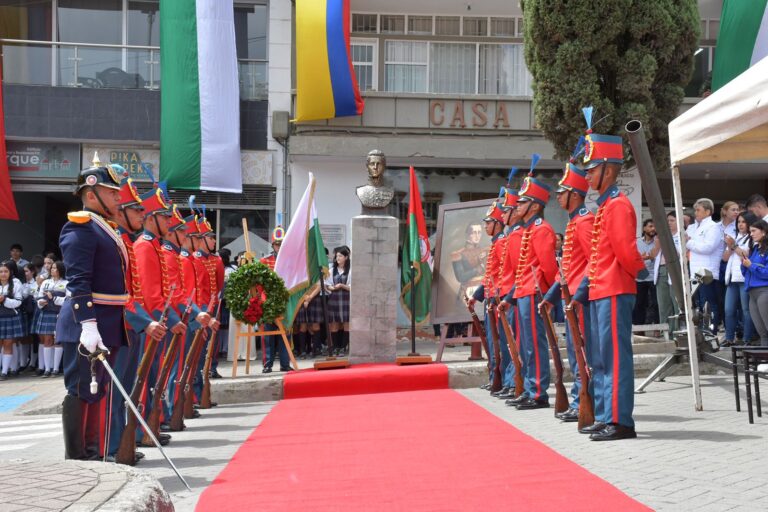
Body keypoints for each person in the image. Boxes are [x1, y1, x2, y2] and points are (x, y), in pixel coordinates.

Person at [574, 108, 645, 441]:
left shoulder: (617, 205)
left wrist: (639, 274)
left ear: (607, 169)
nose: (587, 177)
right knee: (602, 359)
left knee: (615, 359)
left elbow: (625, 252)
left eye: (591, 171)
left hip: (616, 289)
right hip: (603, 291)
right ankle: (605, 415)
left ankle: (620, 421)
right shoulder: (605, 206)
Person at [57, 164, 127, 460]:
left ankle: (95, 456)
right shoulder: (81, 225)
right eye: (112, 193)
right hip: (87, 323)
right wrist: (87, 323)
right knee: (82, 389)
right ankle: (78, 461)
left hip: (105, 322)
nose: (117, 199)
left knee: (97, 390)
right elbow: (78, 279)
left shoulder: (103, 228)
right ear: (91, 193)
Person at [541, 154, 594, 423]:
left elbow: (591, 263)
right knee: (573, 350)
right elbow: (568, 270)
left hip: (580, 298)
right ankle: (578, 399)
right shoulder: (574, 222)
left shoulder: (584, 222)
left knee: (581, 351)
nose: (558, 197)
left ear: (574, 194)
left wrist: (578, 295)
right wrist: (551, 297)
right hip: (570, 296)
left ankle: (584, 399)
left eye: (562, 193)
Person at [508, 157, 557, 411]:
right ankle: (530, 387)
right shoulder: (527, 230)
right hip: (524, 291)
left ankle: (538, 391)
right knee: (526, 344)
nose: (517, 206)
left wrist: (548, 296)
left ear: (535, 207)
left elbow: (549, 267)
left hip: (535, 292)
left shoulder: (541, 230)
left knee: (535, 344)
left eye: (523, 202)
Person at [468, 199, 507, 391]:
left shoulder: (502, 243)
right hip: (490, 296)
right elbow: (489, 275)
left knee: (499, 341)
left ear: (498, 224)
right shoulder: (495, 243)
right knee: (491, 341)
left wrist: (495, 297)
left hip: (497, 298)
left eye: (489, 223)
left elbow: (503, 274)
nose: (485, 226)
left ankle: (504, 380)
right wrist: (477, 295)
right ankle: (494, 378)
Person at [686, 198, 723, 333]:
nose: (695, 213)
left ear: (708, 211)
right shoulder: (696, 227)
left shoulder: (713, 227)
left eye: (698, 210)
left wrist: (689, 243)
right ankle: (703, 333)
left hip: (708, 272)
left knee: (709, 304)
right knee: (700, 305)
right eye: (695, 210)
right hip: (696, 271)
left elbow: (708, 247)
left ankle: (711, 333)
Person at [722, 212, 757, 346]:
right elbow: (725, 258)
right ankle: (729, 338)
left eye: (743, 222)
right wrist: (731, 246)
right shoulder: (735, 237)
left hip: (744, 279)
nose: (740, 224)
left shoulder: (752, 238)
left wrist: (734, 245)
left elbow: (746, 255)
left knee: (746, 310)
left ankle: (747, 339)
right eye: (738, 222)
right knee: (728, 310)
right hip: (732, 279)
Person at [261, 226, 291, 372]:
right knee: (268, 336)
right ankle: (267, 365)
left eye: (282, 243)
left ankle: (285, 364)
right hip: (268, 302)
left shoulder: (290, 261)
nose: (280, 246)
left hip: (285, 302)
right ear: (273, 245)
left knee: (285, 335)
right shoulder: (265, 261)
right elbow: (260, 284)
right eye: (277, 244)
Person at [34, 260, 68, 377]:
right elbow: (38, 297)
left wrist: (54, 298)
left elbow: (67, 300)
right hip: (46, 313)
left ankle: (55, 369)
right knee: (47, 340)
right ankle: (47, 369)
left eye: (55, 268)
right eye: (52, 268)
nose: (53, 270)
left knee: (58, 341)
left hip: (59, 314)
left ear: (60, 270)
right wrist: (40, 302)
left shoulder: (66, 283)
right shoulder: (45, 283)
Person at [652, 212, 682, 332]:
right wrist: (658, 245)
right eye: (667, 220)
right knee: (663, 305)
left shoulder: (682, 235)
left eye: (672, 220)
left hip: (674, 271)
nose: (669, 223)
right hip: (661, 270)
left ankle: (676, 333)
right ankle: (665, 332)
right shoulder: (661, 236)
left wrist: (667, 242)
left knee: (676, 304)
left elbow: (679, 254)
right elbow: (653, 255)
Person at [741, 219, 768, 346]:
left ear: (764, 232)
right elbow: (746, 272)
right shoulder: (755, 249)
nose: (751, 234)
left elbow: (766, 273)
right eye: (750, 231)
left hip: (764, 292)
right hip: (752, 293)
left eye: (753, 231)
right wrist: (745, 265)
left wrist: (750, 266)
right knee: (761, 331)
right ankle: (765, 361)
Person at [0, 261, 24, 380]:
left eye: (6, 271)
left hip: (10, 317)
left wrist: (4, 300)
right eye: (1, 271)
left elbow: (19, 302)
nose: (3, 274)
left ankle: (4, 372)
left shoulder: (15, 283)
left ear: (10, 273)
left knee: (8, 344)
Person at [634, 219, 658, 327]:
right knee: (639, 303)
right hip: (640, 277)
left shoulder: (658, 241)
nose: (653, 229)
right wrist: (642, 258)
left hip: (654, 277)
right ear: (644, 228)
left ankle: (658, 327)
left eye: (654, 227)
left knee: (656, 303)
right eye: (650, 226)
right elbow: (632, 257)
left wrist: (652, 257)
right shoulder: (636, 242)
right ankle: (639, 328)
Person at [328, 246, 351, 356]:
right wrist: (332, 287)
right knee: (334, 324)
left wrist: (342, 285)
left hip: (346, 299)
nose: (338, 258)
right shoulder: (332, 270)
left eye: (340, 256)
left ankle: (343, 347)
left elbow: (353, 286)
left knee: (347, 323)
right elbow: (327, 285)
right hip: (334, 300)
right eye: (337, 256)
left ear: (346, 257)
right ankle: (335, 347)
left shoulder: (350, 270)